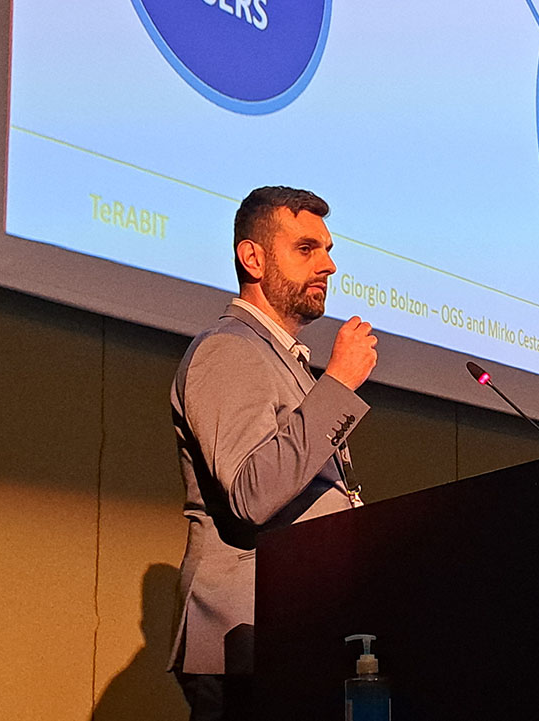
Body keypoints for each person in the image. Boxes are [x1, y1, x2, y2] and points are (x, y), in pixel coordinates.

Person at [167, 186, 378, 720]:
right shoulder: (227, 349)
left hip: (293, 628)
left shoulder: (283, 360)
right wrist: (338, 384)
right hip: (248, 637)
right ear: (253, 258)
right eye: (306, 249)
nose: (328, 265)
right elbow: (251, 495)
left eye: (328, 250)